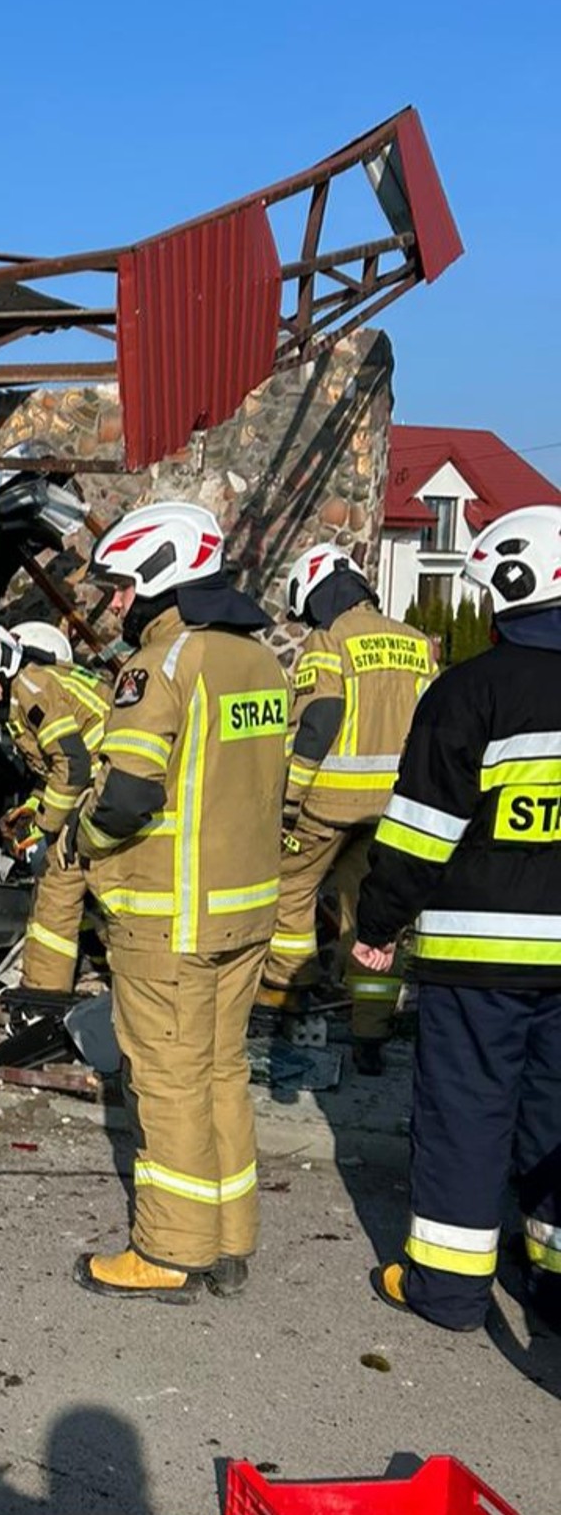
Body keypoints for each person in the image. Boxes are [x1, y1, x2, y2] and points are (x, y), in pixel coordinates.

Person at [70, 501, 288, 1302]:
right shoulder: (261, 663)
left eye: (125, 586)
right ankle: (229, 1241)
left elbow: (126, 797)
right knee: (222, 1073)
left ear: (163, 576)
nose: (118, 603)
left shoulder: (162, 665)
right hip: (245, 913)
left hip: (171, 918)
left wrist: (81, 844)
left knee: (165, 1080)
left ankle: (167, 1251)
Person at [359, 506, 561, 1332]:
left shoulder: (470, 693)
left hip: (480, 960)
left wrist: (377, 922)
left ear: (508, 591)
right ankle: (552, 1281)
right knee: (557, 1119)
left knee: (467, 1112)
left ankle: (446, 1286)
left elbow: (418, 834)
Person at [258, 545, 434, 1072]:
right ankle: (370, 1034)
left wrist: (288, 802)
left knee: (289, 889)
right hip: (394, 810)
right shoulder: (418, 645)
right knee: (372, 915)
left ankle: (287, 997)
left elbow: (318, 723)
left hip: (327, 806)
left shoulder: (329, 641)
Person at [0, 619, 111, 1000]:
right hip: (100, 780)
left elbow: (72, 764)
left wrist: (45, 825)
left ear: (1, 671)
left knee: (59, 882)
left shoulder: (31, 689)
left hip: (105, 778)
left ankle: (43, 999)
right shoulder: (22, 695)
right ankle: (103, 970)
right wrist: (32, 809)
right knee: (90, 887)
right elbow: (57, 768)